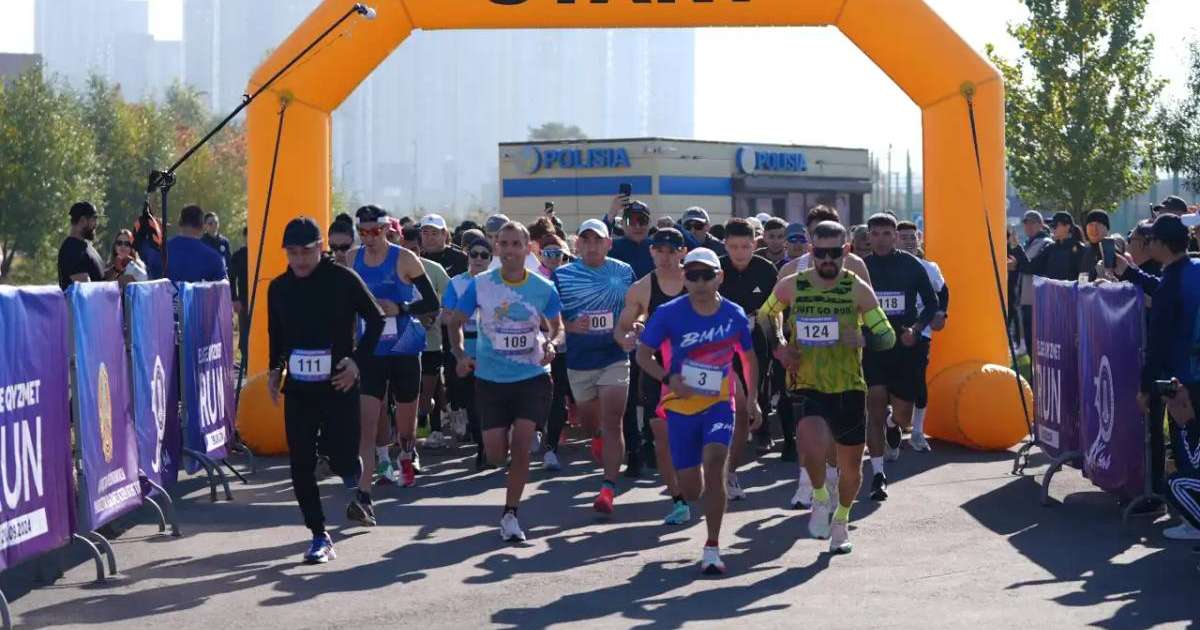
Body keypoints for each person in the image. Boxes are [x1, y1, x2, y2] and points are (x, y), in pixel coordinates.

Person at [760, 221, 896, 553]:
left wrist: (864, 337)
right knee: (811, 442)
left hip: (848, 385)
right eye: (821, 253)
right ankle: (820, 497)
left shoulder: (858, 288)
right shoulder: (792, 285)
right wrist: (779, 344)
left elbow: (888, 336)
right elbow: (765, 316)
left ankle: (841, 520)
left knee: (850, 468)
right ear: (811, 251)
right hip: (807, 382)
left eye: (835, 253)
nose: (827, 260)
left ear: (846, 251)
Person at [266, 217, 385, 563]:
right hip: (300, 387)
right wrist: (275, 369)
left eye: (306, 252)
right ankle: (319, 535)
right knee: (300, 463)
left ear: (321, 248)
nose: (300, 260)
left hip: (339, 382)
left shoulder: (343, 279)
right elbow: (276, 333)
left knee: (344, 458)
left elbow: (376, 320)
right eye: (292, 253)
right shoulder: (279, 288)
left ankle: (349, 470)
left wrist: (357, 361)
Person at [635, 247, 760, 574]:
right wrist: (667, 378)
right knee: (691, 489)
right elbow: (643, 355)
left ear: (719, 276)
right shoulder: (667, 313)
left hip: (719, 401)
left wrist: (754, 397)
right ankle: (696, 494)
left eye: (707, 275)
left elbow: (748, 359)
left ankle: (713, 546)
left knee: (717, 459)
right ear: (684, 278)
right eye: (693, 276)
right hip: (680, 405)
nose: (700, 282)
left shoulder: (733, 313)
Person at [447, 221, 564, 543]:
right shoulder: (481, 284)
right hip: (490, 378)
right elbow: (455, 322)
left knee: (523, 445)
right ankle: (512, 440)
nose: (510, 250)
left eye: (517, 244)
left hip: (532, 376)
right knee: (496, 454)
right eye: (505, 243)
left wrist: (552, 343)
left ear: (528, 249)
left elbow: (557, 325)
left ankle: (510, 514)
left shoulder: (543, 287)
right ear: (497, 248)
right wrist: (459, 354)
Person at [1113, 214, 1200, 538]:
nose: (1147, 245)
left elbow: (1158, 344)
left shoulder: (1174, 281)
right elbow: (1163, 291)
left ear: (1162, 244)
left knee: (1186, 451)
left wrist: (1145, 388)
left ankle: (1193, 522)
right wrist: (1132, 273)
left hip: (1183, 380)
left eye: (1150, 241)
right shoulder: (1192, 270)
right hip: (1194, 373)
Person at [351, 205, 439, 496]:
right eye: (362, 232)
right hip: (371, 349)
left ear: (386, 229)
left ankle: (405, 455)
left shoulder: (404, 258)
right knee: (369, 417)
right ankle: (378, 467)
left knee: (405, 424)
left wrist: (400, 308)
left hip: (403, 348)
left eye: (374, 231)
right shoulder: (353, 259)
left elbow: (431, 303)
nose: (369, 238)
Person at [553, 219, 635, 513]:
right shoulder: (562, 275)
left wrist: (634, 326)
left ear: (608, 243)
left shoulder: (623, 272)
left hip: (614, 355)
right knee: (591, 422)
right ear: (577, 245)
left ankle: (608, 488)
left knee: (613, 420)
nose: (591, 246)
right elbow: (550, 316)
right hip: (580, 360)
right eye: (585, 241)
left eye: (597, 240)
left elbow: (636, 307)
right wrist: (570, 326)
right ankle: (596, 436)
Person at [615, 228, 690, 524]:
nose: (665, 256)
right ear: (651, 251)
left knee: (696, 435)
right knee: (662, 437)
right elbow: (621, 329)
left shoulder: (697, 279)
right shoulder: (642, 288)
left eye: (672, 250)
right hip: (657, 369)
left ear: (682, 252)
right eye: (659, 249)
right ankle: (678, 499)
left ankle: (703, 482)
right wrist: (629, 339)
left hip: (698, 368)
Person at [862, 213, 938, 500]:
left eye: (886, 233)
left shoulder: (911, 265)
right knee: (876, 406)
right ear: (868, 236)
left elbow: (931, 304)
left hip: (905, 347)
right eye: (875, 233)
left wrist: (917, 330)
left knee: (903, 415)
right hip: (873, 348)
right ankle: (878, 474)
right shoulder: (862, 268)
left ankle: (896, 426)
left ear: (895, 236)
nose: (880, 238)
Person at [717, 219, 776, 499]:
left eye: (746, 246)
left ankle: (735, 463)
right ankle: (720, 468)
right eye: (733, 247)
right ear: (725, 245)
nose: (739, 252)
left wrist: (780, 340)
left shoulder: (766, 270)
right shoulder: (714, 270)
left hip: (755, 342)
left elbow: (774, 311)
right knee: (728, 406)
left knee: (754, 395)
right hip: (718, 348)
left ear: (756, 244)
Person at [443, 233, 496, 469]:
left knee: (491, 401)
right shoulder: (456, 283)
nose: (478, 259)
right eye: (474, 254)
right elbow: (445, 316)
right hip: (466, 348)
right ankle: (482, 446)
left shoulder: (498, 281)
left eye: (484, 255)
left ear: (490, 258)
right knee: (473, 402)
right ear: (468, 256)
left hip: (494, 349)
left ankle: (493, 446)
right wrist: (460, 318)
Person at [399, 226, 452, 449]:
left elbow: (451, 297)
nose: (411, 254)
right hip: (401, 343)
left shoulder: (434, 269)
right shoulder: (393, 268)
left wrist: (432, 315)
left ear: (420, 250)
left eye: (414, 250)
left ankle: (433, 428)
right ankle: (407, 434)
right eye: (406, 249)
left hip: (430, 342)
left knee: (428, 390)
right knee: (407, 393)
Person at [896, 221, 948, 452]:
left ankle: (917, 431)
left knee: (917, 378)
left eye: (912, 237)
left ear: (919, 239)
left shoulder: (930, 267)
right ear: (895, 240)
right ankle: (891, 424)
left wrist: (940, 314)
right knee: (894, 382)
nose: (908, 241)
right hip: (892, 330)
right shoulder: (889, 266)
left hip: (921, 330)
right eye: (903, 237)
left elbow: (943, 291)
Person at [1010, 211, 1085, 282]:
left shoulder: (1080, 249)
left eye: (1055, 226)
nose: (1052, 229)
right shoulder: (1050, 248)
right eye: (1051, 226)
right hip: (1051, 294)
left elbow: (1084, 279)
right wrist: (1016, 247)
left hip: (1071, 294)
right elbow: (1030, 268)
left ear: (1067, 226)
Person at [1017, 211, 1051, 355]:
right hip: (1025, 296)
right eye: (1026, 223)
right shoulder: (1028, 243)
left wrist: (1017, 253)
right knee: (1029, 339)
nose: (1028, 226)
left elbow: (1029, 267)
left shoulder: (1045, 243)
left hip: (1036, 298)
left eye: (1032, 223)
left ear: (1040, 224)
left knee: (1036, 340)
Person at [166, 204, 227, 283]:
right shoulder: (214, 258)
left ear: (180, 222)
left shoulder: (162, 250)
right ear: (202, 225)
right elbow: (222, 291)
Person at [57, 201, 105, 290]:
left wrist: (116, 269)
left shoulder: (86, 246)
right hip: (86, 304)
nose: (96, 224)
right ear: (83, 220)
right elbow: (84, 288)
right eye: (94, 219)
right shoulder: (72, 249)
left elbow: (99, 279)